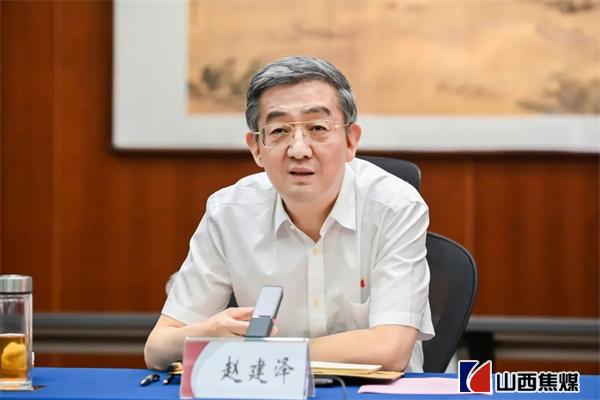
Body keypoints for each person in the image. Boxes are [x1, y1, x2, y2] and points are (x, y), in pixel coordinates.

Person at [144, 56, 434, 372]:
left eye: (318, 128)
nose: (298, 150)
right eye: (279, 130)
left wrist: (264, 355)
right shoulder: (228, 213)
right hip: (269, 388)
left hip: (374, 391)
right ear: (256, 148)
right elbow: (157, 349)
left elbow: (390, 349)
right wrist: (205, 332)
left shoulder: (395, 206)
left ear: (351, 141)